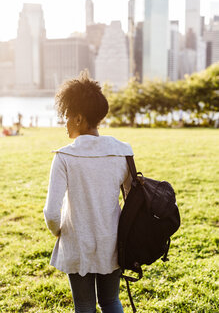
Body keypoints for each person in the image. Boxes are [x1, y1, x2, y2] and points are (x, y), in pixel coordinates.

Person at [43, 71, 133, 313]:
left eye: (66, 117)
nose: (64, 123)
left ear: (79, 119)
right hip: (112, 241)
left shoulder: (64, 156)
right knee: (111, 301)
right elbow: (133, 201)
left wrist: (59, 232)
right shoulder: (122, 151)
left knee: (84, 305)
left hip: (77, 242)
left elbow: (51, 213)